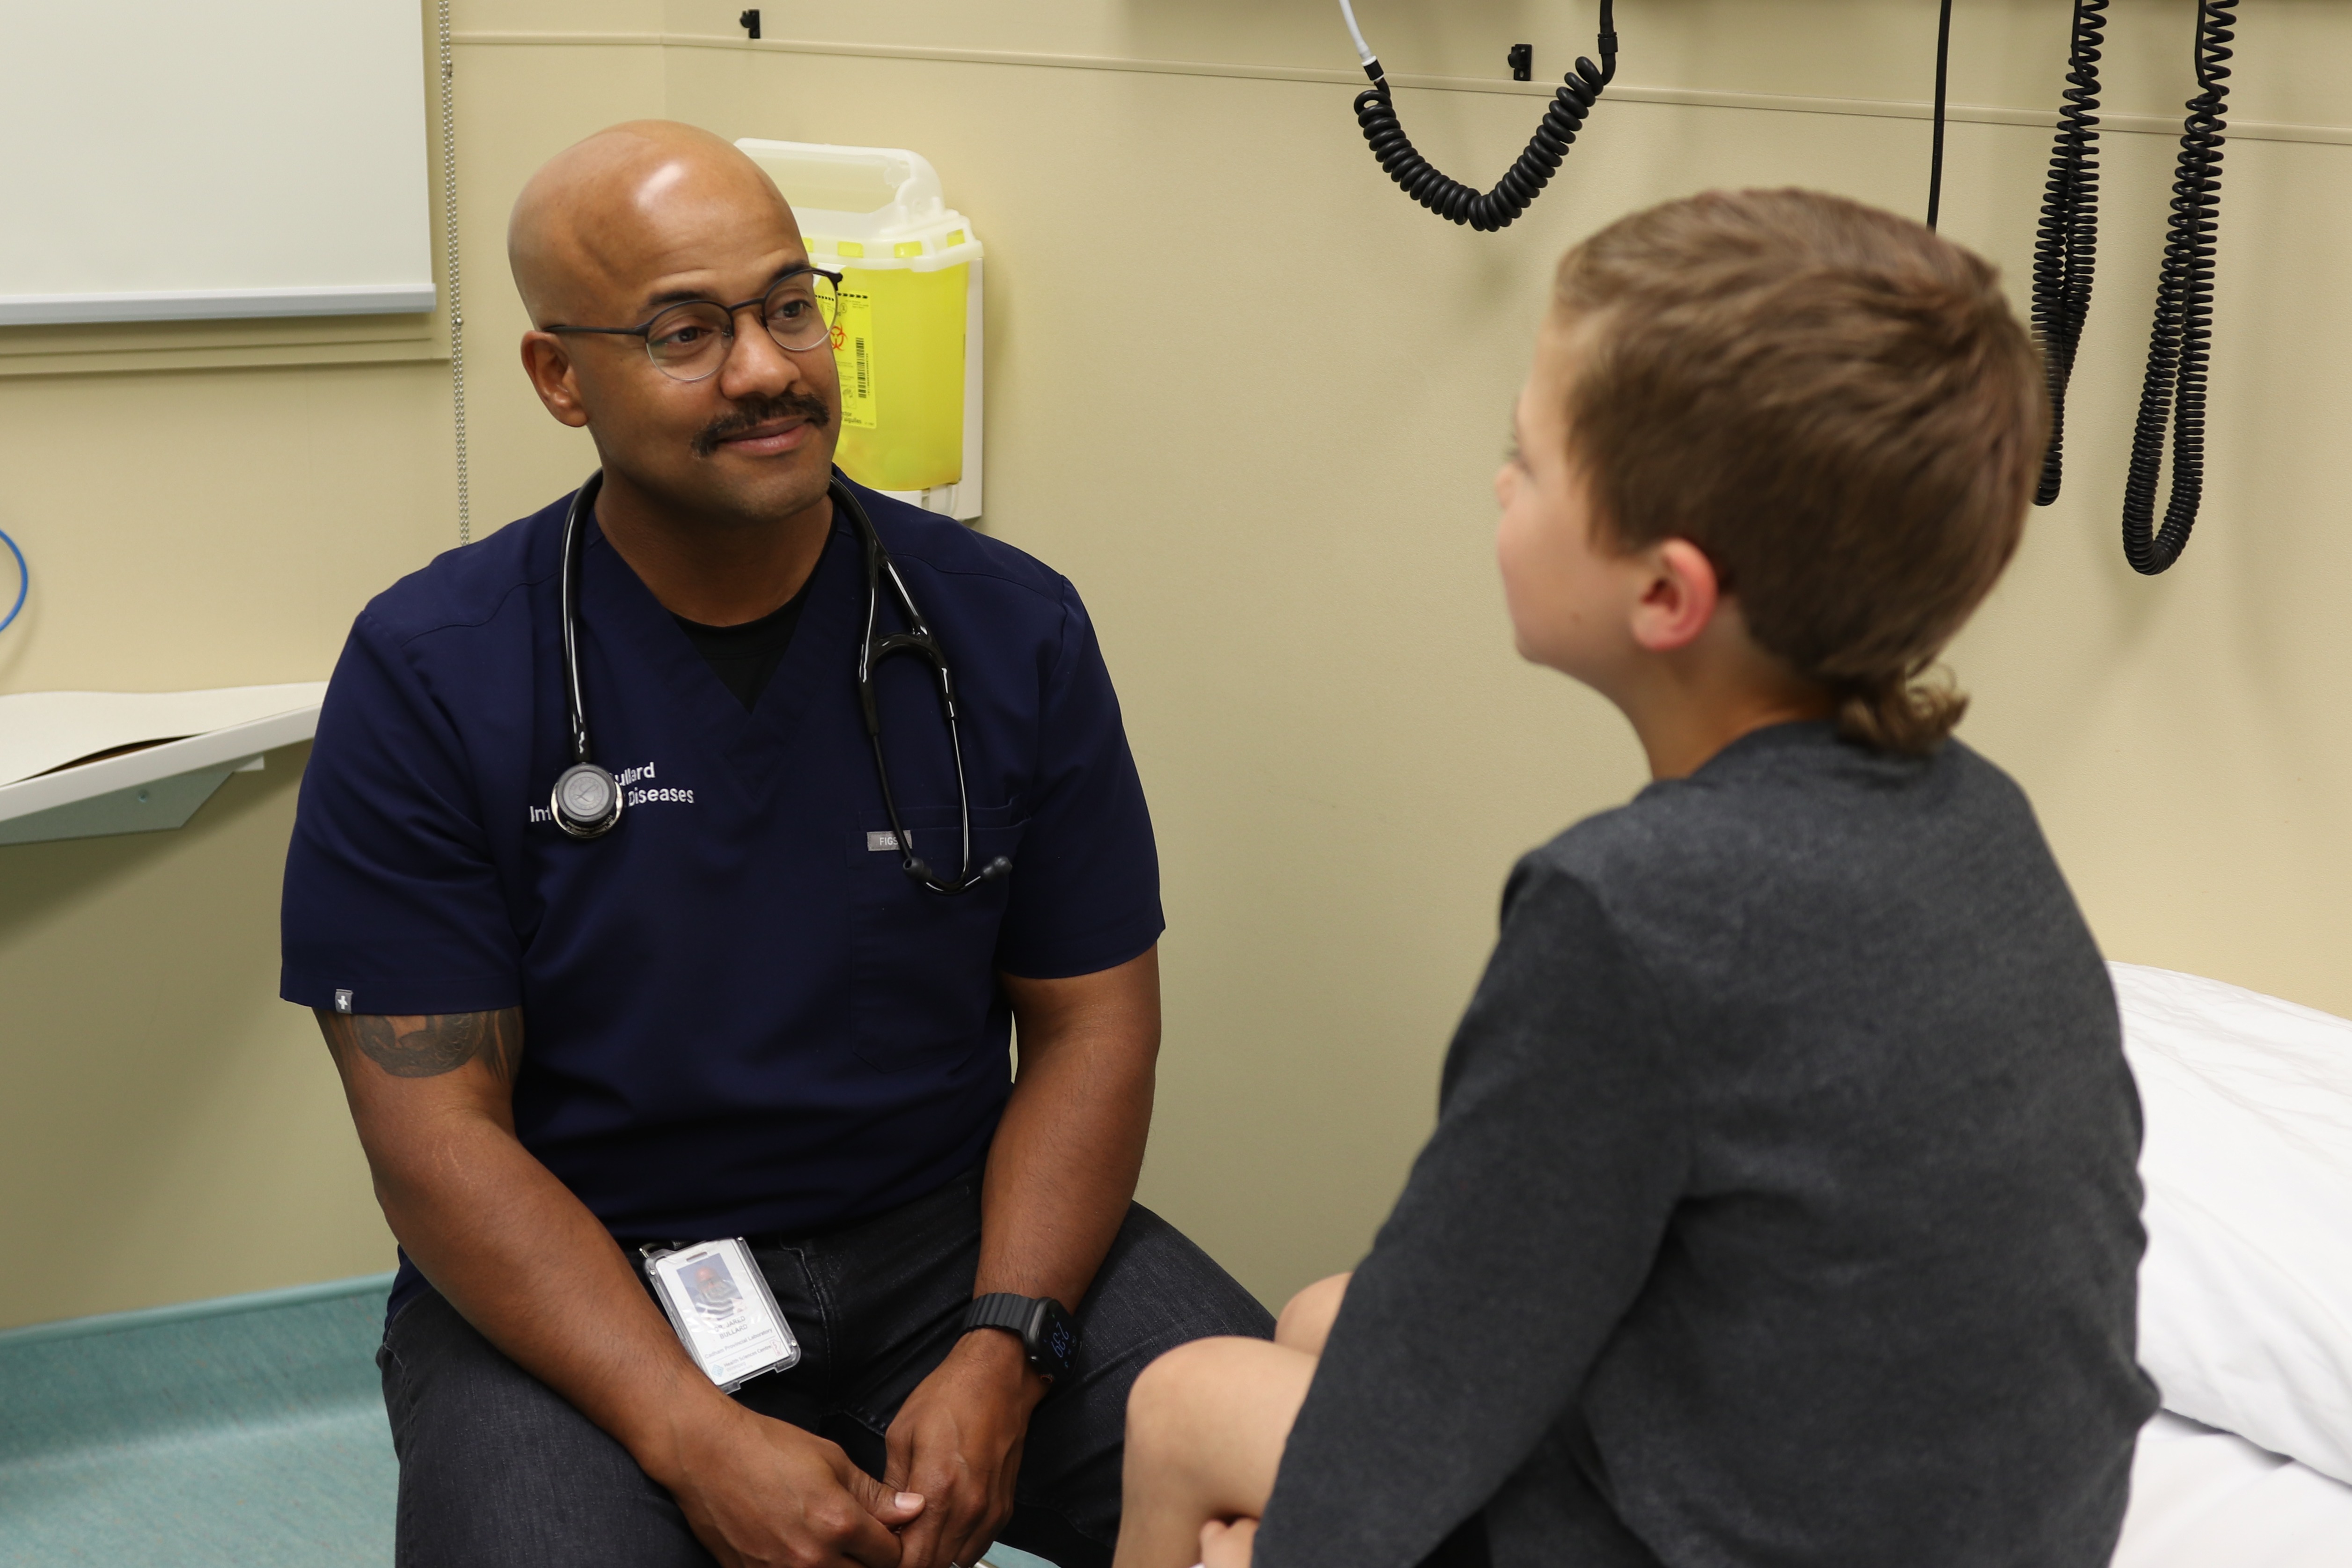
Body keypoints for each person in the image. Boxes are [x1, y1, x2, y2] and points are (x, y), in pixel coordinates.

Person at [1112, 189, 2159, 1568]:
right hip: (1997, 1522)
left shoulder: (1634, 909)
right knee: (1316, 1318)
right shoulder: (1973, 816)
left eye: (1526, 459)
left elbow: (1419, 1399)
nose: (1499, 483)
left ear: (1664, 595)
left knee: (1187, 1404)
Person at [279, 120, 1270, 1568]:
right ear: (560, 377)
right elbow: (435, 1142)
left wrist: (1006, 1343)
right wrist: (687, 1432)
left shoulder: (1006, 628)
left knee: (1334, 1492)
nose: (766, 370)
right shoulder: (436, 670)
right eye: (685, 333)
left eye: (790, 307)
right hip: (596, 1270)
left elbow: (1091, 1025)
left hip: (954, 1244)